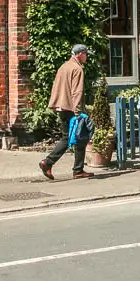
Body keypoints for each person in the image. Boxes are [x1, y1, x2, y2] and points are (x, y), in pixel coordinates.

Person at [39, 45, 94, 180]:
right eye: (86, 54)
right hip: (71, 109)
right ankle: (48, 162)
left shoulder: (64, 66)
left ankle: (77, 169)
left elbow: (56, 87)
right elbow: (77, 91)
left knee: (76, 138)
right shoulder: (77, 69)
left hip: (61, 107)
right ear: (80, 54)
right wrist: (78, 112)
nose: (87, 57)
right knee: (74, 138)